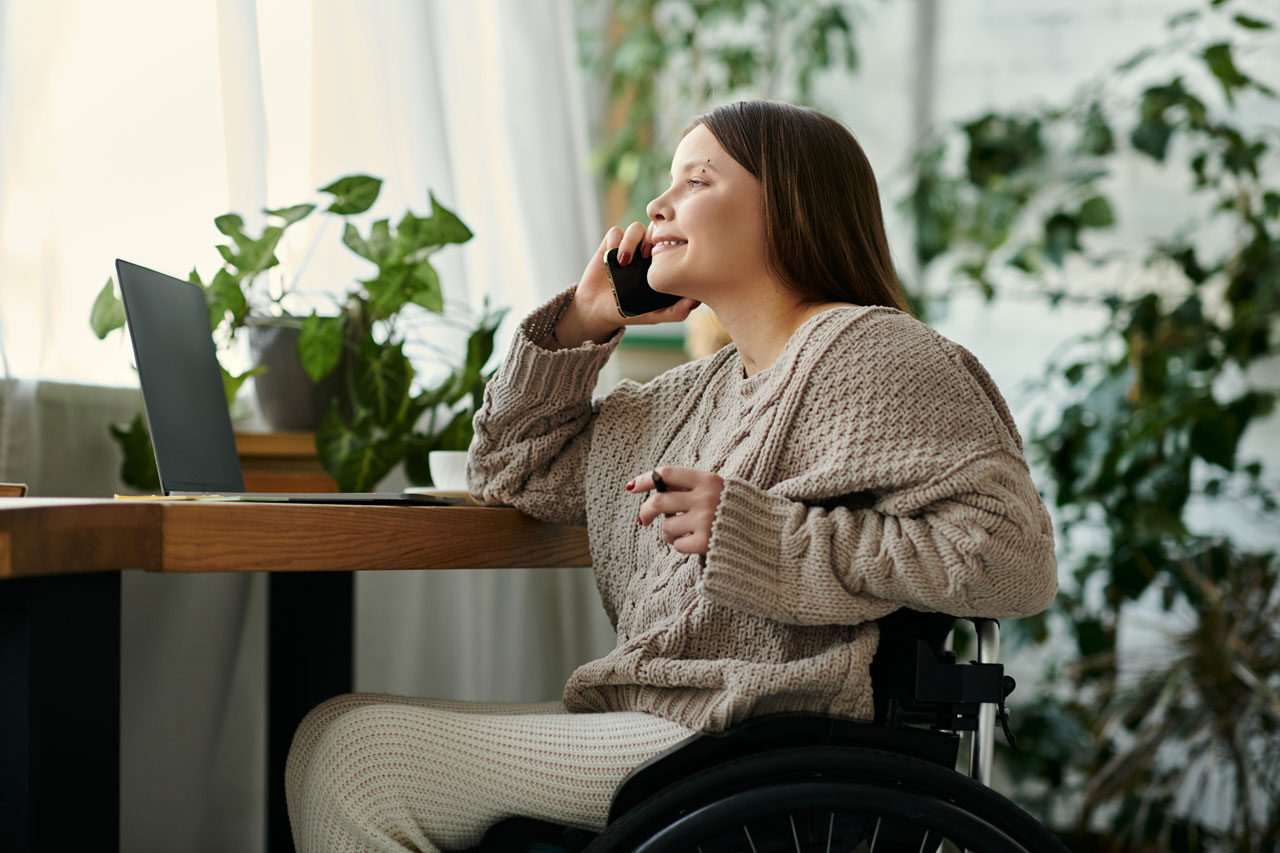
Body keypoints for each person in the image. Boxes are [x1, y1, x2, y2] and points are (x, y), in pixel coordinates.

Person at [285, 99, 1058, 852]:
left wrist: (764, 538)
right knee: (327, 732)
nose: (657, 203)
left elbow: (1012, 560)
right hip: (665, 720)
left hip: (759, 735)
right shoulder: (700, 390)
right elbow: (515, 469)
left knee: (360, 758)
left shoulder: (872, 353)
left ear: (789, 209)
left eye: (697, 180)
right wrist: (584, 322)